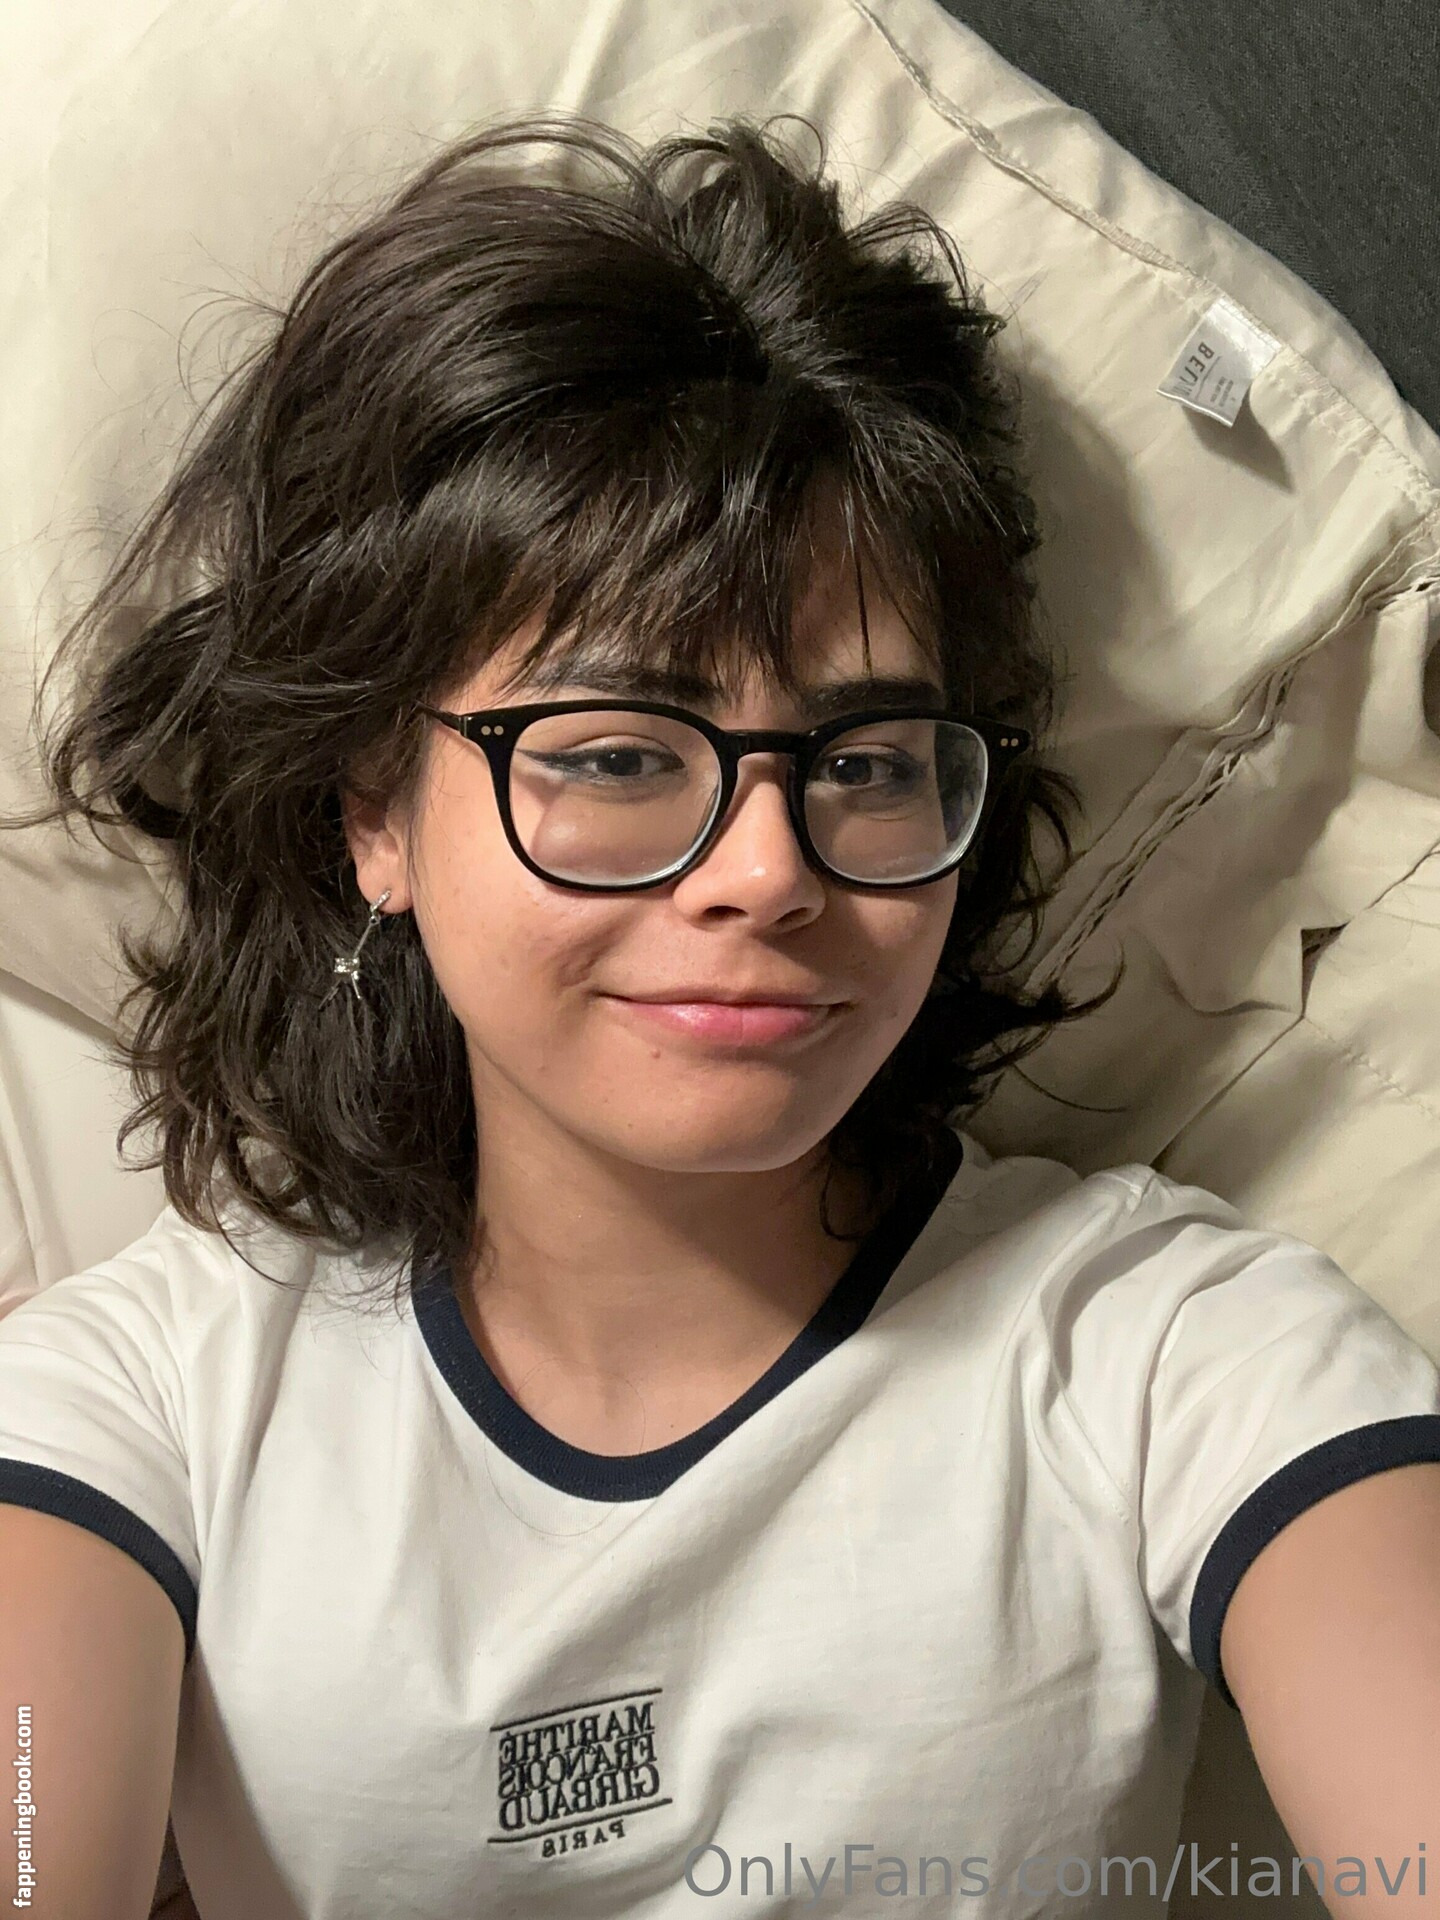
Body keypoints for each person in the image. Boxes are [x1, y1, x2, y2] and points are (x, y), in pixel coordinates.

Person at [0, 115, 1437, 1920]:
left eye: (867, 761)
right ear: (373, 814)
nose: (768, 870)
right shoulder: (149, 1399)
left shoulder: (1169, 1357)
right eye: (615, 755)